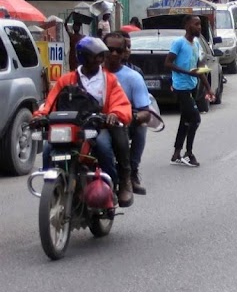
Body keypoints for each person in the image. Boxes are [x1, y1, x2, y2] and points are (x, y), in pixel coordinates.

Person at [33, 37, 135, 207]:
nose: (100, 59)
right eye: (95, 56)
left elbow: (120, 102)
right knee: (47, 149)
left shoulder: (108, 80)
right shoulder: (66, 79)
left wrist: (115, 114)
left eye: (101, 56)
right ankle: (51, 188)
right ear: (83, 57)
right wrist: (39, 115)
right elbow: (49, 103)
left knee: (103, 146)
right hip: (69, 128)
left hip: (96, 126)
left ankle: (112, 186)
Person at [104, 32, 151, 194]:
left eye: (118, 50)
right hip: (95, 122)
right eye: (109, 50)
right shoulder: (89, 73)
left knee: (141, 126)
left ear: (124, 53)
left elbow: (146, 112)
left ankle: (129, 174)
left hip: (122, 123)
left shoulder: (134, 77)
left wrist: (131, 117)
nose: (113, 54)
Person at [164, 15, 210, 167]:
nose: (199, 27)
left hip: (193, 86)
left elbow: (198, 68)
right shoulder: (178, 43)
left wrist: (209, 88)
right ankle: (188, 153)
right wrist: (186, 72)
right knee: (195, 119)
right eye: (196, 24)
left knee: (185, 120)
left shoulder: (196, 43)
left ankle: (176, 152)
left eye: (200, 25)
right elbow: (168, 63)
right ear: (187, 25)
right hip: (181, 87)